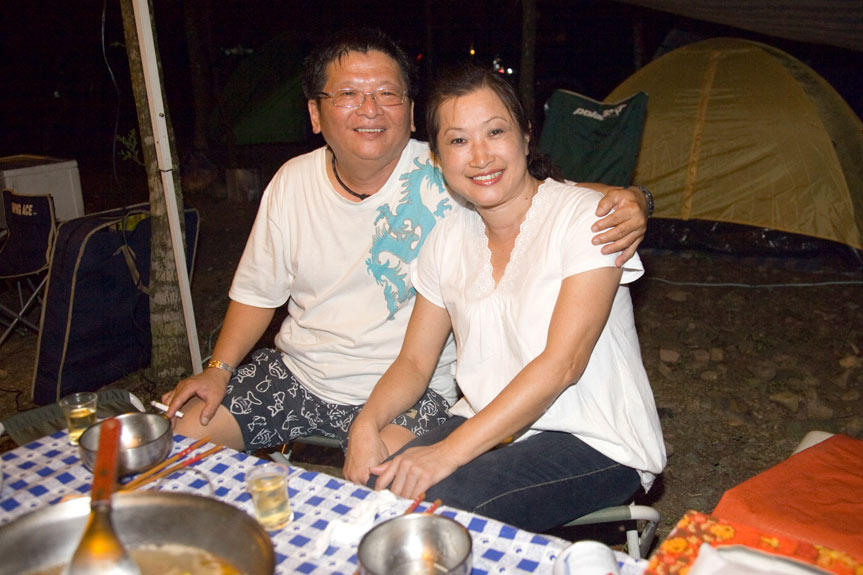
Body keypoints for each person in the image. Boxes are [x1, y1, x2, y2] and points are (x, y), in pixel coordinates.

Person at [163, 28, 651, 456]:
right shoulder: (291, 182)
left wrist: (637, 200)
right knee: (181, 438)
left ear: (413, 113)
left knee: (387, 489)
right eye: (349, 94)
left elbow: (546, 194)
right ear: (315, 114)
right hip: (301, 374)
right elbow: (257, 292)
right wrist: (218, 369)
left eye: (387, 94)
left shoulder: (454, 168)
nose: (370, 109)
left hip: (414, 390)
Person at [343, 64, 665, 533]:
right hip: (489, 421)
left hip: (593, 437)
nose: (480, 156)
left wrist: (446, 453)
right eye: (458, 140)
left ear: (526, 136)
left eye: (495, 132)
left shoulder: (586, 220)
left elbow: (563, 364)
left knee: (441, 512)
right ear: (437, 159)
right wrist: (366, 425)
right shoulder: (447, 239)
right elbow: (414, 362)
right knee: (381, 493)